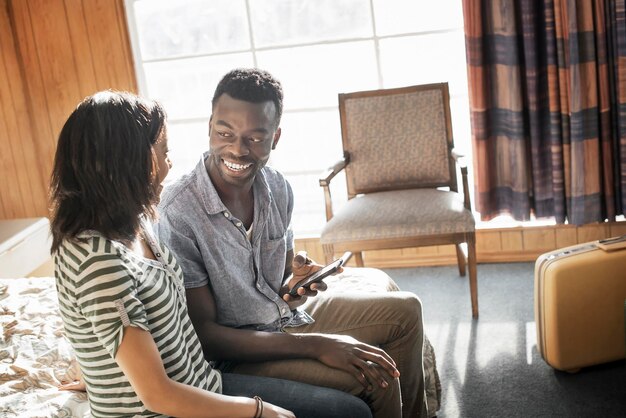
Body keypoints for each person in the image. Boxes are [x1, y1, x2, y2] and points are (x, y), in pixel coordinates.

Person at [49, 90, 372, 418]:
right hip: (171, 409)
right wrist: (261, 412)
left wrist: (98, 366)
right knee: (350, 413)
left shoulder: (137, 223)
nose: (169, 163)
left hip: (203, 383)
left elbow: (112, 329)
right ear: (133, 161)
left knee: (350, 410)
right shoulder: (97, 261)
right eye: (164, 151)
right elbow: (158, 395)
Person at [155, 68, 428, 418]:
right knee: (374, 378)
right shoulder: (178, 211)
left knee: (407, 310)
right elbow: (207, 336)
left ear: (275, 137)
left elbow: (282, 275)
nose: (237, 150)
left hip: (282, 319)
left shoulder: (278, 188)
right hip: (238, 354)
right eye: (225, 133)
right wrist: (317, 345)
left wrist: (297, 277)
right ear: (209, 126)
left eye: (255, 138)